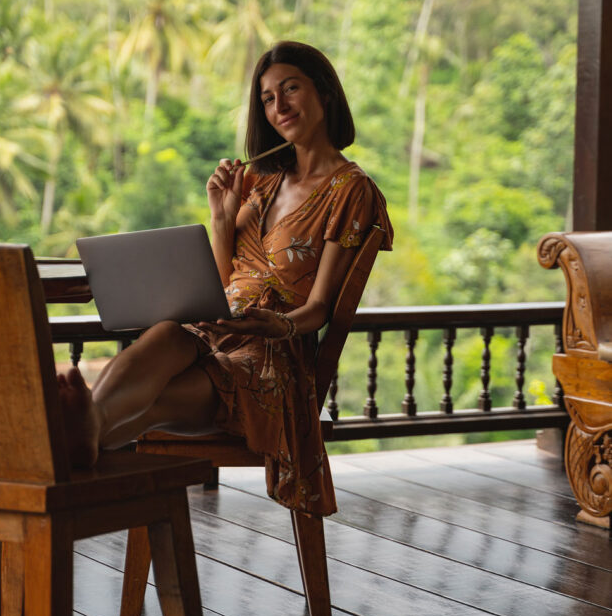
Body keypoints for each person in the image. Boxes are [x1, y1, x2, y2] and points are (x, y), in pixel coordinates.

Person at [58, 41, 393, 516]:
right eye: (268, 98)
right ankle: (86, 431)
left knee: (150, 401)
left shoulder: (351, 190)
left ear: (325, 92)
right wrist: (221, 219)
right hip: (216, 328)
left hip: (270, 354)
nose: (279, 107)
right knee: (168, 335)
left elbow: (319, 309)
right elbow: (218, 285)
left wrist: (280, 326)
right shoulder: (260, 181)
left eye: (290, 89)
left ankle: (80, 432)